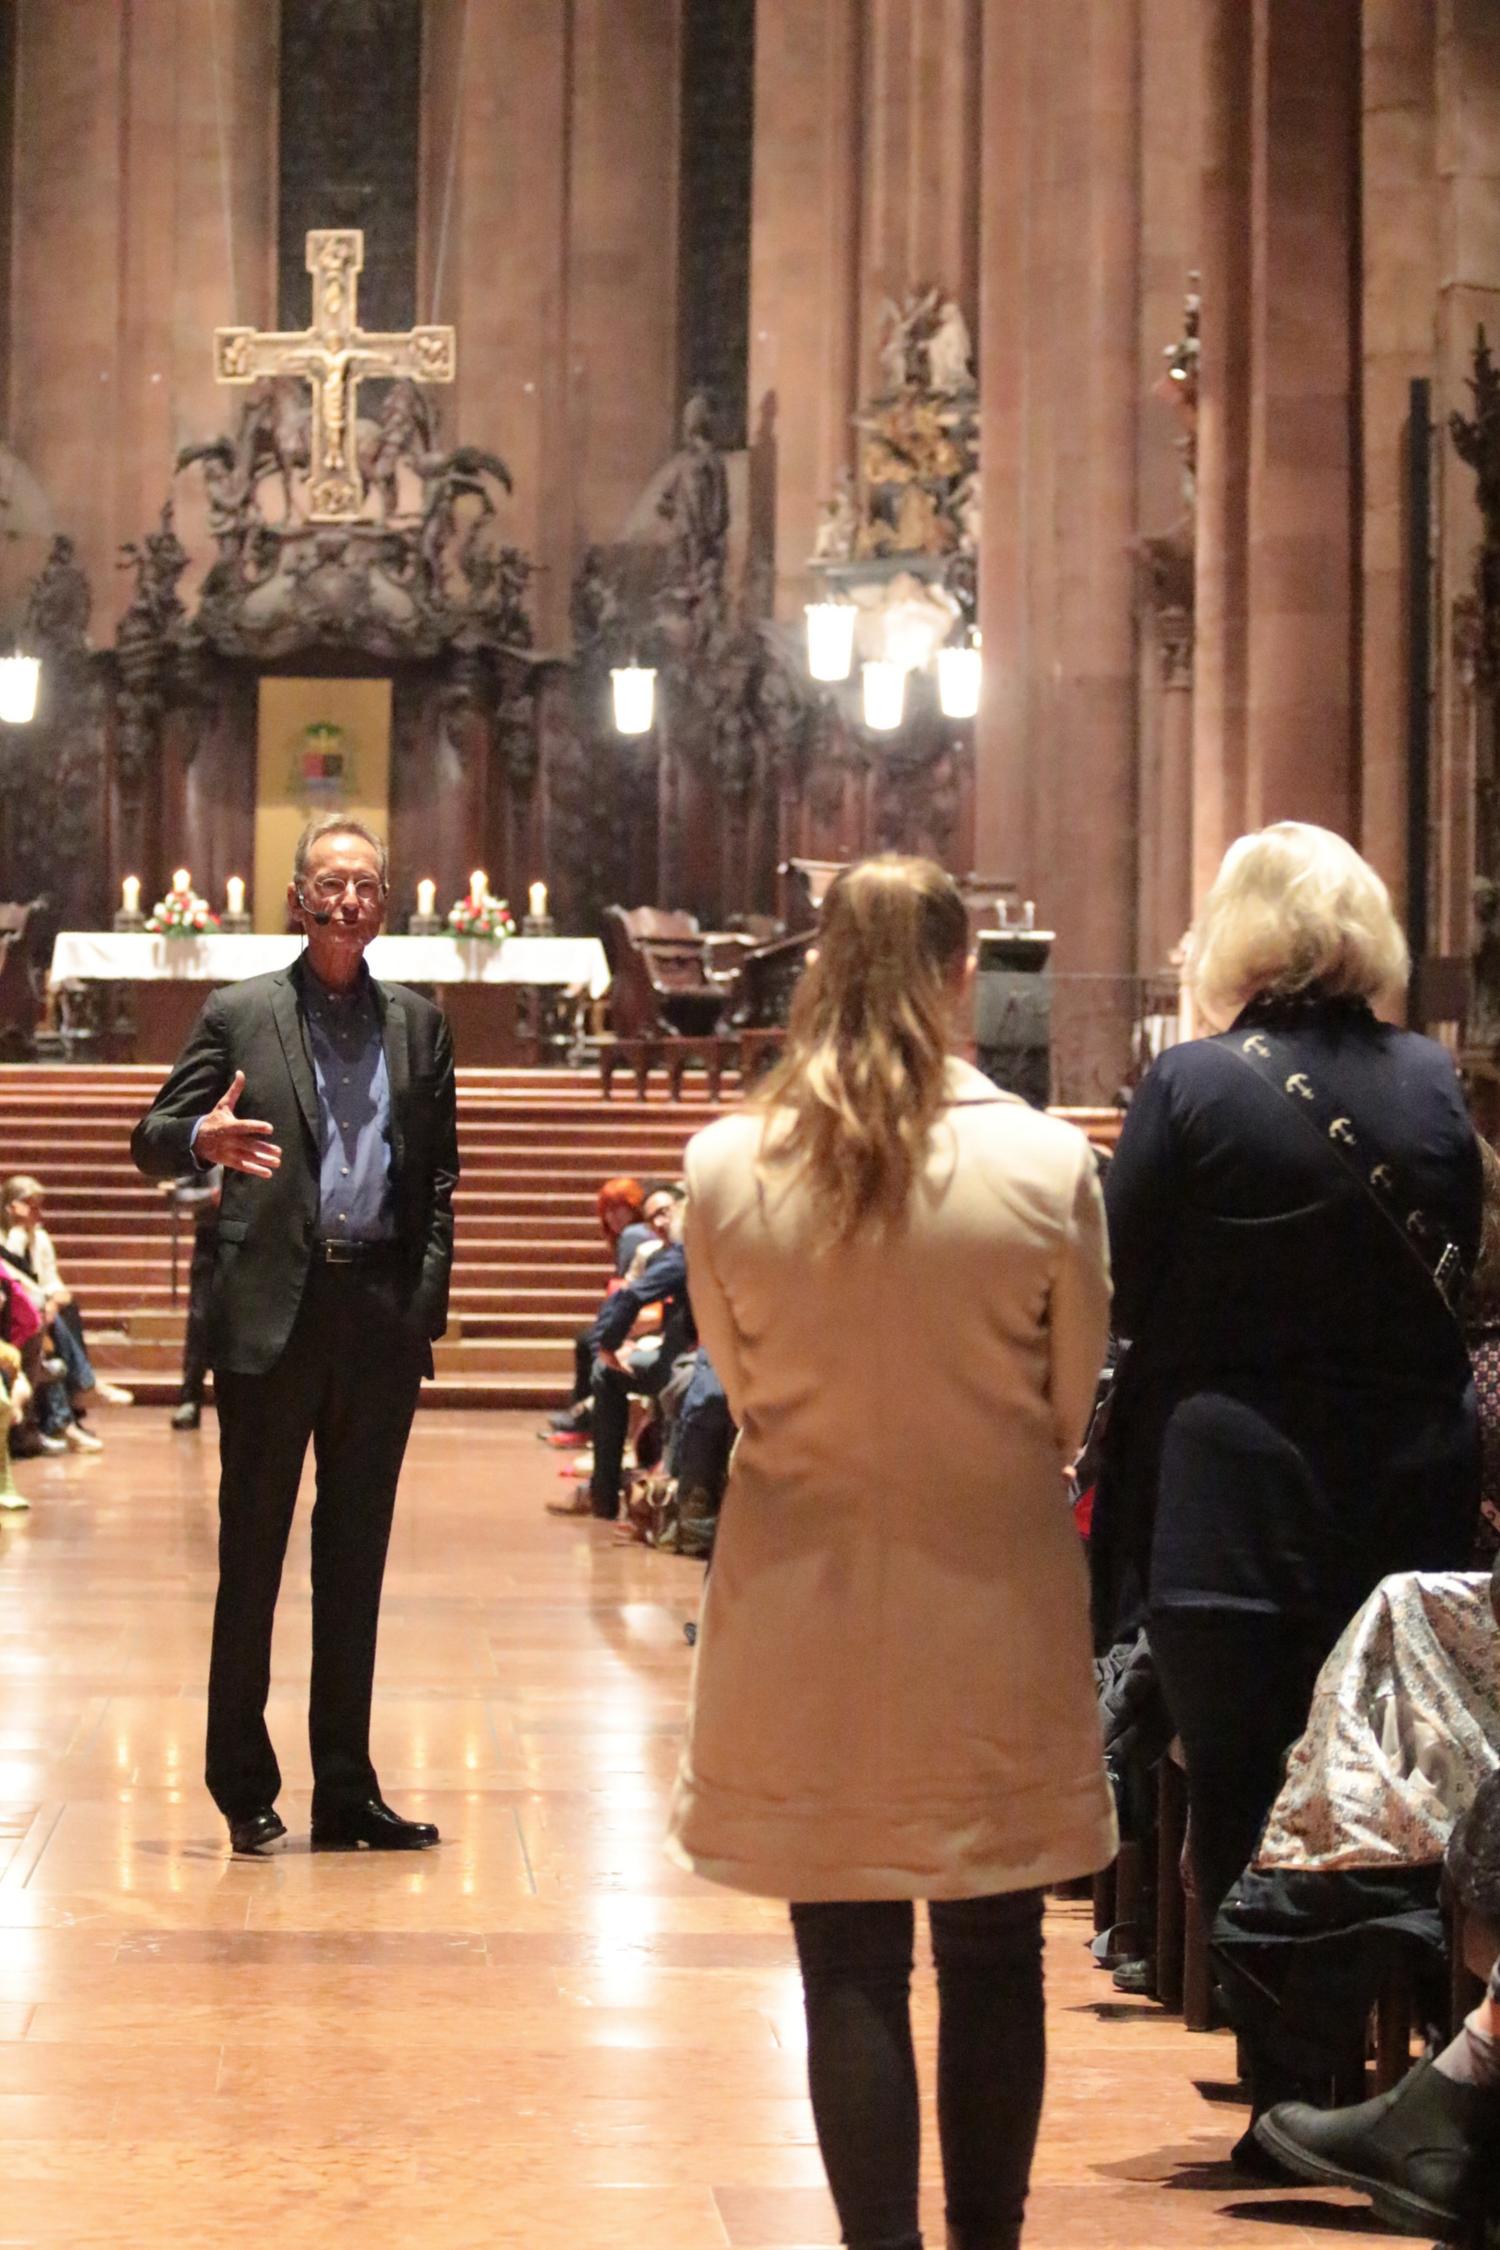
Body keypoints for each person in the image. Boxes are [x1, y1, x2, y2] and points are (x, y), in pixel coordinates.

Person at [668, 855, 1115, 2250]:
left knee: (848, 1954)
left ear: (817, 967)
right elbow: (1070, 1397)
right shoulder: (1048, 1162)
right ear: (962, 971)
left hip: (802, 1601)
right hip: (993, 1594)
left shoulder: (730, 1163)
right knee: (993, 1950)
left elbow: (735, 1388)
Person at [1095, 823, 1481, 1930]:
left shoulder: (1191, 1083)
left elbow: (1122, 1286)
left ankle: (1277, 2061)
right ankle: (1372, 2039)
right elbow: (1455, 1252)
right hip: (1405, 1478)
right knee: (1385, 1776)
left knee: (1243, 1785)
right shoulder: (1429, 1076)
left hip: (1234, 1494)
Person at [130, 815, 459, 1860]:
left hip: (377, 1319)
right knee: (254, 1555)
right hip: (273, 1313)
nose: (350, 899)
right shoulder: (239, 1013)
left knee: (355, 1561)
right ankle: (242, 1786)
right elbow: (149, 1136)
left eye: (367, 884)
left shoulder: (421, 1023)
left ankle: (348, 1791)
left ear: (386, 903)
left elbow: (441, 1179)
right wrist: (199, 1137)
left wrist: (422, 1308)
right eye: (332, 882)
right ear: (296, 898)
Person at [1, 1173, 134, 1422]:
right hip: (15, 1314)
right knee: (49, 1319)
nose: (38, 1214)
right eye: (32, 1207)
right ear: (11, 1208)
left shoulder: (39, 1238)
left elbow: (52, 1283)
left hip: (36, 1309)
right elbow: (13, 1276)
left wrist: (52, 1301)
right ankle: (82, 1390)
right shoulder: (7, 1239)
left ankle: (74, 1403)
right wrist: (17, 1232)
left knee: (64, 1309)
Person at [164, 1164, 223, 1431]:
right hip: (211, 1239)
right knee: (200, 1321)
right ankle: (190, 1399)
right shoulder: (207, 1139)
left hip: (257, 1242)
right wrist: (210, 1196)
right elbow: (179, 1194)